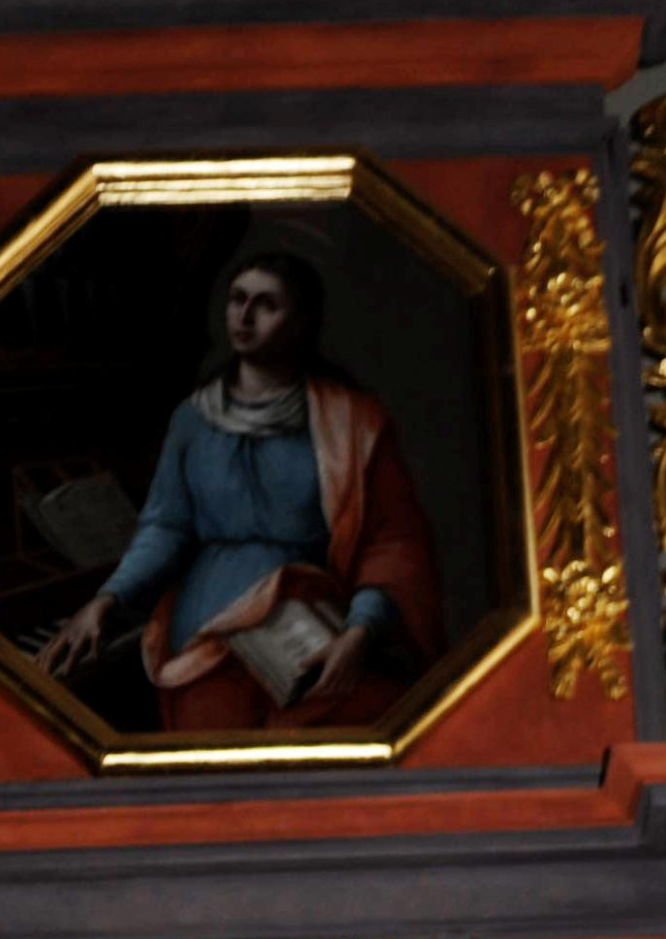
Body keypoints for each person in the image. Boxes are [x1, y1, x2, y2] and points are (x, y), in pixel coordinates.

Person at [38, 248, 443, 735]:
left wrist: (360, 631)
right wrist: (107, 599)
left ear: (302, 322)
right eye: (237, 299)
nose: (245, 317)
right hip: (207, 629)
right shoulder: (192, 420)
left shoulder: (352, 421)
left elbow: (392, 542)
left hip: (308, 624)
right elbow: (165, 528)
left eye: (266, 304)